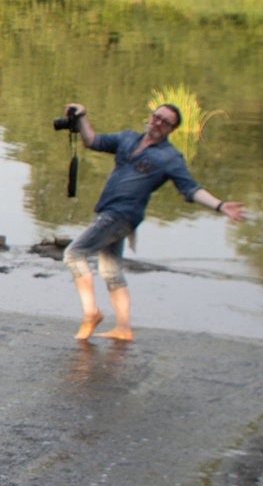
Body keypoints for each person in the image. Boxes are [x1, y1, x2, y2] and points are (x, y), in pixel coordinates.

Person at [60, 101, 250, 342]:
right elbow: (92, 142)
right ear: (150, 116)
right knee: (111, 270)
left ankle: (91, 313)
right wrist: (82, 117)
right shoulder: (127, 139)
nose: (158, 122)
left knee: (74, 254)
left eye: (166, 122)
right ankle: (123, 328)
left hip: (121, 215)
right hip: (109, 210)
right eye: (157, 117)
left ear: (172, 129)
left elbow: (190, 189)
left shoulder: (169, 157)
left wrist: (220, 205)